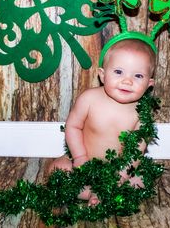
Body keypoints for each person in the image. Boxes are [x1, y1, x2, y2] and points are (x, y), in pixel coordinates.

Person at [48, 38, 155, 205]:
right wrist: (79, 156)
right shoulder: (89, 99)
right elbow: (73, 127)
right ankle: (95, 193)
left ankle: (102, 193)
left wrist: (118, 179)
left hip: (119, 170)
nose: (127, 81)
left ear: (149, 84)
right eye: (118, 72)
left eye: (138, 75)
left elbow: (136, 152)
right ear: (103, 75)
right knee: (57, 172)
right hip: (84, 161)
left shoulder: (142, 114)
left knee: (140, 183)